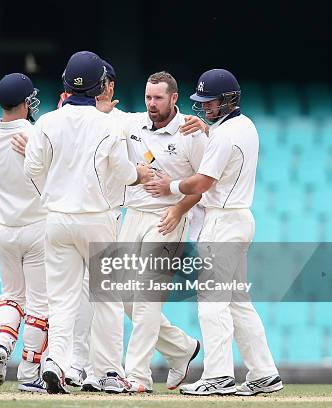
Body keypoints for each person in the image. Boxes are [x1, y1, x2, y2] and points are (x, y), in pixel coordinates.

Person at [22, 50, 154, 394]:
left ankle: (55, 364)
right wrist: (138, 174)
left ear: (66, 83)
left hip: (58, 219)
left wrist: (52, 194)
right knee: (106, 297)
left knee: (62, 298)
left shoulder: (47, 122)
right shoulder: (109, 124)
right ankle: (109, 373)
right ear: (100, 86)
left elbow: (31, 170)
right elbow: (125, 173)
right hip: (97, 219)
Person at [144, 68, 283, 396]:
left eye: (212, 102)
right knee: (237, 302)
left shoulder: (224, 134)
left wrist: (171, 185)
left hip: (222, 222)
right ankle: (264, 373)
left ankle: (219, 375)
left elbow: (203, 183)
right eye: (203, 101)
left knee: (212, 302)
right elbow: (225, 149)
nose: (206, 106)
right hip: (239, 219)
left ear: (229, 99)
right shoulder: (245, 126)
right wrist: (208, 130)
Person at [117, 71, 206, 393]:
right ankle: (181, 349)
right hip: (133, 216)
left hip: (167, 219)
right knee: (122, 297)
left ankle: (137, 377)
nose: (151, 104)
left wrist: (178, 210)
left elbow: (205, 184)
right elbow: (93, 121)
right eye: (147, 97)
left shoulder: (190, 134)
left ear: (174, 98)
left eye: (158, 98)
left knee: (145, 300)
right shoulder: (132, 124)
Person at [0, 73, 48, 393]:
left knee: (11, 295)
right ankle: (30, 372)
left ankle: (2, 344)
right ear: (26, 102)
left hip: (4, 229)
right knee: (40, 304)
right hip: (38, 228)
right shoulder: (36, 134)